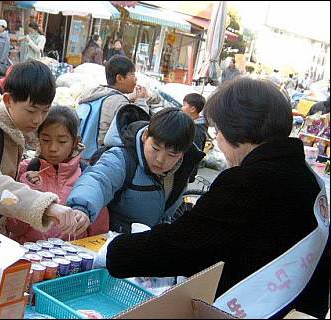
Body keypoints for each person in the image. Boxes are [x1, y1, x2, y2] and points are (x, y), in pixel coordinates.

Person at [105, 78, 329, 318]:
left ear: (236, 131)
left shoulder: (248, 182)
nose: (218, 140)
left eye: (218, 131)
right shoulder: (307, 177)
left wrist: (115, 251)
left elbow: (184, 244)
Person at [0, 60, 84, 236]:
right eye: (31, 111)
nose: (38, 119)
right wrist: (46, 206)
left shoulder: (14, 131)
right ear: (8, 100)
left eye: (45, 111)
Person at [67, 108, 204, 233]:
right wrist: (82, 208)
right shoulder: (122, 159)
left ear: (182, 153)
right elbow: (98, 179)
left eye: (172, 154)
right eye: (155, 148)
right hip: (114, 245)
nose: (160, 159)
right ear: (145, 136)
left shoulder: (182, 169)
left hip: (149, 248)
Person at [6, 106, 109, 243]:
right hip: (27, 257)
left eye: (62, 141)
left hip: (71, 259)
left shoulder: (88, 179)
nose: (53, 148)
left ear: (75, 142)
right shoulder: (23, 171)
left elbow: (98, 235)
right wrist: (28, 190)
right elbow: (12, 227)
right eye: (46, 140)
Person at [78, 55, 150, 148]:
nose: (135, 79)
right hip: (100, 155)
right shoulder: (119, 101)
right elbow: (137, 128)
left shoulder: (96, 93)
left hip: (83, 151)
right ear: (119, 78)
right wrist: (141, 101)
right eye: (132, 74)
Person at [181, 93, 207, 183]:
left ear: (192, 109)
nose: (182, 108)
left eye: (184, 105)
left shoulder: (197, 131)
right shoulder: (192, 125)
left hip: (185, 172)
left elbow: (193, 155)